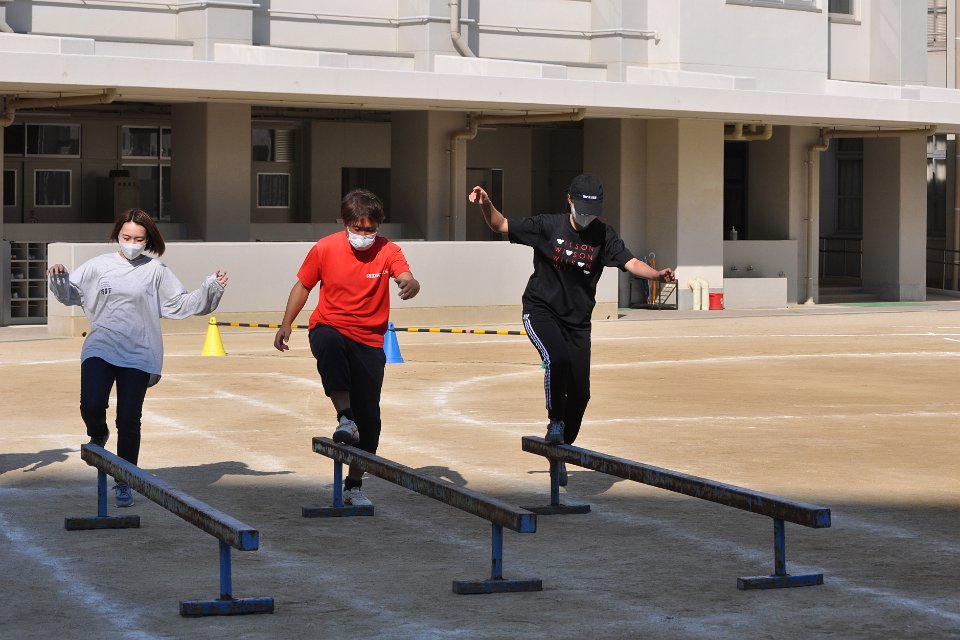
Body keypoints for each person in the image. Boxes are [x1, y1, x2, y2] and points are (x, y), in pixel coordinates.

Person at [469, 173, 675, 486]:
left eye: (593, 211)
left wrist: (656, 275)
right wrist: (486, 204)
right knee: (558, 359)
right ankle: (555, 422)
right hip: (541, 311)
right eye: (582, 209)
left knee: (581, 394)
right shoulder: (547, 226)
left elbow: (631, 262)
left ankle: (560, 451)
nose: (587, 216)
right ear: (570, 200)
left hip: (578, 322)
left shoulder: (604, 235)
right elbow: (501, 225)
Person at [48, 208, 228, 507]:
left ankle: (125, 480)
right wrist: (59, 277)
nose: (132, 243)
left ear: (148, 240)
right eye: (127, 237)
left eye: (139, 239)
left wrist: (211, 289)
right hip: (101, 346)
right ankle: (98, 433)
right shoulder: (98, 266)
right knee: (91, 404)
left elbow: (180, 304)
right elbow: (69, 293)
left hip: (139, 352)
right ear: (117, 235)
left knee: (129, 419)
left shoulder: (156, 270)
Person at [273, 189, 420, 507]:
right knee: (329, 342)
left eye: (370, 229)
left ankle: (354, 485)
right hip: (329, 325)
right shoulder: (325, 248)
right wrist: (286, 323)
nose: (364, 235)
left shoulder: (389, 250)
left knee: (371, 421)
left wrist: (411, 283)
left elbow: (406, 274)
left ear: (379, 225)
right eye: (358, 228)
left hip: (369, 340)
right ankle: (345, 416)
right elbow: (303, 285)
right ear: (345, 223)